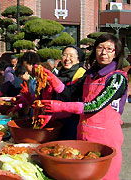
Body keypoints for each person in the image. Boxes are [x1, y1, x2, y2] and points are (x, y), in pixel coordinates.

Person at [40, 33, 128, 179]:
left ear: (116, 53)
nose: (103, 52)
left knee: (104, 176)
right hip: (83, 136)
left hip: (106, 138)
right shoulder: (89, 75)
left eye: (109, 49)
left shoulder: (117, 78)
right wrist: (53, 80)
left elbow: (95, 105)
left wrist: (61, 107)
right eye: (100, 47)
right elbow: (69, 94)